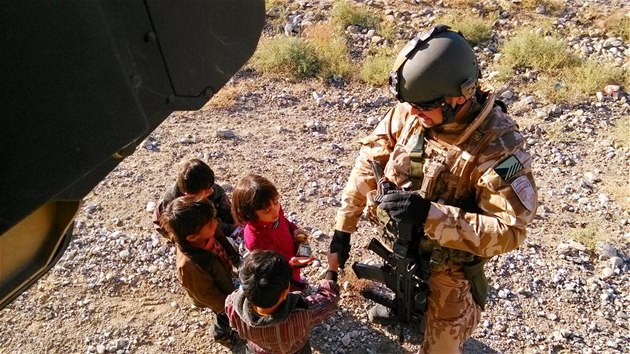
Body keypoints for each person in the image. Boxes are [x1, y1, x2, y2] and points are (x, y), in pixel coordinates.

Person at [329, 25, 538, 353]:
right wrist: (343, 228)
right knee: (406, 292)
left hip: (448, 266)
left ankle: (460, 315)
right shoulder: (415, 109)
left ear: (458, 97)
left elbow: (509, 230)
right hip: (401, 244)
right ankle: (407, 310)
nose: (411, 112)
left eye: (422, 107)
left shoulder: (498, 149)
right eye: (410, 104)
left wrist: (430, 215)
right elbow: (369, 159)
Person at [159, 195, 242, 348]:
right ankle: (221, 335)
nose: (216, 223)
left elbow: (222, 239)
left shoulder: (207, 230)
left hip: (224, 274)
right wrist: (227, 306)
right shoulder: (190, 266)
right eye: (211, 223)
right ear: (192, 237)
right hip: (220, 300)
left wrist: (235, 258)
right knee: (223, 318)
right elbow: (206, 294)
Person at [225, 250, 340, 354]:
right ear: (285, 292)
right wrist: (332, 268)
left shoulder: (232, 305)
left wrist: (289, 267)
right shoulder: (303, 313)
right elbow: (329, 300)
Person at [231, 174, 314, 291]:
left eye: (276, 202)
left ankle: (297, 282)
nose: (275, 211)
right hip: (280, 270)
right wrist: (292, 263)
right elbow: (272, 265)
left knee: (296, 277)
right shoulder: (255, 239)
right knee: (286, 286)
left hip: (290, 257)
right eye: (266, 210)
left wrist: (294, 229)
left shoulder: (274, 213)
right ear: (250, 213)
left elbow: (285, 221)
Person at [153, 158, 237, 240]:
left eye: (211, 186)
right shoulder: (175, 208)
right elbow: (200, 228)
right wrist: (229, 229)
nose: (211, 191)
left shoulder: (207, 188)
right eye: (206, 191)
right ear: (189, 195)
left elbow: (228, 211)